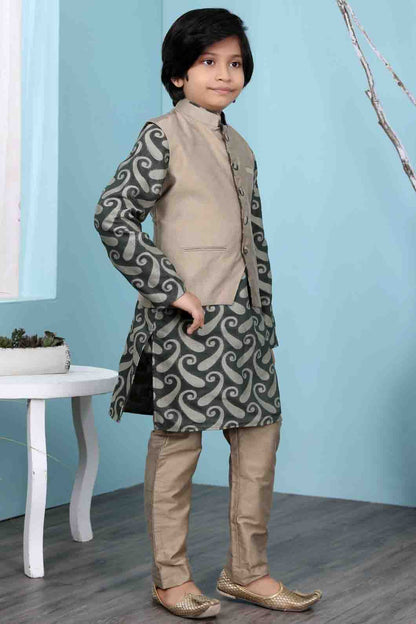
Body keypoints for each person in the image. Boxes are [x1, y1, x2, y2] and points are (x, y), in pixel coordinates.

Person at [94, 7, 323, 619]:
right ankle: (170, 579)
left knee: (259, 441)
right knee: (179, 448)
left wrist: (262, 315)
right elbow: (113, 215)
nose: (225, 74)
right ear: (178, 74)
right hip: (189, 323)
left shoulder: (240, 146)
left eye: (235, 63)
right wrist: (171, 289)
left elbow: (252, 241)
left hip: (246, 322)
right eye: (208, 62)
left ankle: (247, 572)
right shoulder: (162, 135)